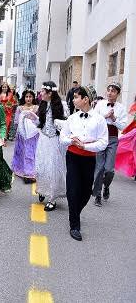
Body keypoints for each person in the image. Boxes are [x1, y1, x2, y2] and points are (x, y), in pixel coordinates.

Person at [60, 85, 108, 241]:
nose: (73, 100)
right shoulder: (72, 118)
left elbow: (103, 142)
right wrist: (72, 141)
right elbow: (63, 139)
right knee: (73, 190)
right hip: (72, 156)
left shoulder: (99, 119)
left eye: (76, 97)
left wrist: (85, 146)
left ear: (85, 99)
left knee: (86, 192)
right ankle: (74, 224)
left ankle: (75, 211)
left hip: (89, 158)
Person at [92, 82, 127, 206]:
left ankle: (106, 186)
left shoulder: (121, 108)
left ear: (118, 93)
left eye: (113, 91)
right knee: (99, 167)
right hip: (100, 138)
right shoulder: (100, 105)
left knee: (109, 169)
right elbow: (93, 119)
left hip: (112, 138)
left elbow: (123, 126)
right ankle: (97, 194)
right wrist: (104, 116)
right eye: (109, 90)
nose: (110, 93)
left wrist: (113, 119)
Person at [35, 81, 68, 211]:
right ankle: (43, 190)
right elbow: (40, 122)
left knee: (53, 168)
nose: (41, 93)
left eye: (43, 91)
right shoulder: (42, 104)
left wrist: (59, 122)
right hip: (43, 139)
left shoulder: (61, 105)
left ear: (49, 93)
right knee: (41, 167)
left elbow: (66, 124)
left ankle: (52, 198)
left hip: (54, 140)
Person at [11, 89, 39, 184]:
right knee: (22, 152)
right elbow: (16, 121)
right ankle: (22, 168)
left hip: (33, 134)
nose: (28, 99)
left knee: (31, 152)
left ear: (33, 98)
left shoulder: (36, 108)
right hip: (22, 133)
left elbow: (39, 121)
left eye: (30, 97)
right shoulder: (20, 108)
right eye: (26, 97)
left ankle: (30, 171)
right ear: (24, 98)